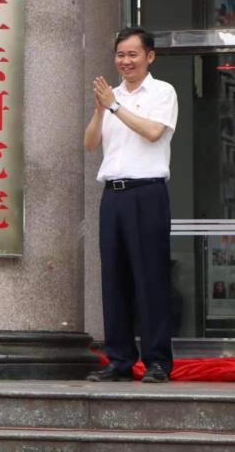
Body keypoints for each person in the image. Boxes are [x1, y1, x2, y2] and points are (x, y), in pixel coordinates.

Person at [84, 27, 178, 384]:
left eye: (132, 54)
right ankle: (120, 359)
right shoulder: (112, 96)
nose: (125, 61)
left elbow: (153, 133)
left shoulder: (162, 92)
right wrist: (100, 111)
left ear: (149, 56)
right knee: (114, 279)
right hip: (113, 195)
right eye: (120, 54)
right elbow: (90, 143)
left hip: (147, 193)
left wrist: (115, 106)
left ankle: (157, 361)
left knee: (150, 277)